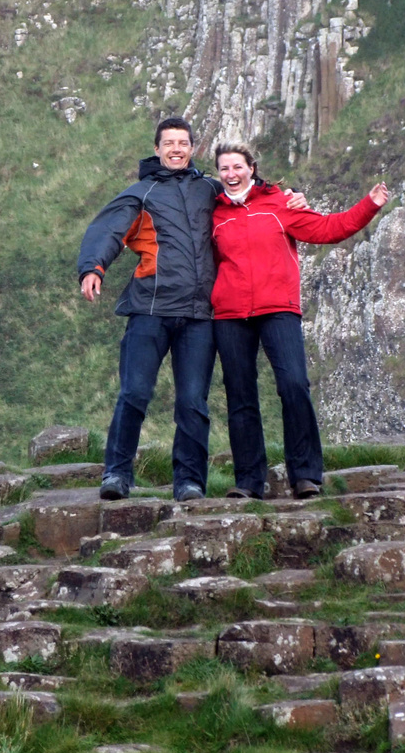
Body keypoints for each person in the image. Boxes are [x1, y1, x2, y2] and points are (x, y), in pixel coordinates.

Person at [77, 117, 308, 502]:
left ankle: (189, 480)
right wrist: (92, 267)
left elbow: (249, 195)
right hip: (150, 308)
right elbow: (108, 230)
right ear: (157, 149)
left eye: (183, 143)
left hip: (200, 316)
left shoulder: (209, 189)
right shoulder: (140, 193)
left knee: (192, 402)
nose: (176, 149)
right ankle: (117, 474)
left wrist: (294, 195)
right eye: (169, 143)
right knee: (134, 392)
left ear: (192, 148)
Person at [210, 142, 389, 499]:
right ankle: (248, 482)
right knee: (240, 396)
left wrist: (369, 205)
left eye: (237, 167)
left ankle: (306, 475)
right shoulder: (212, 211)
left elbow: (328, 230)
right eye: (224, 169)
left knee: (294, 385)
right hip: (230, 313)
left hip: (278, 307)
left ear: (252, 168)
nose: (231, 175)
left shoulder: (280, 204)